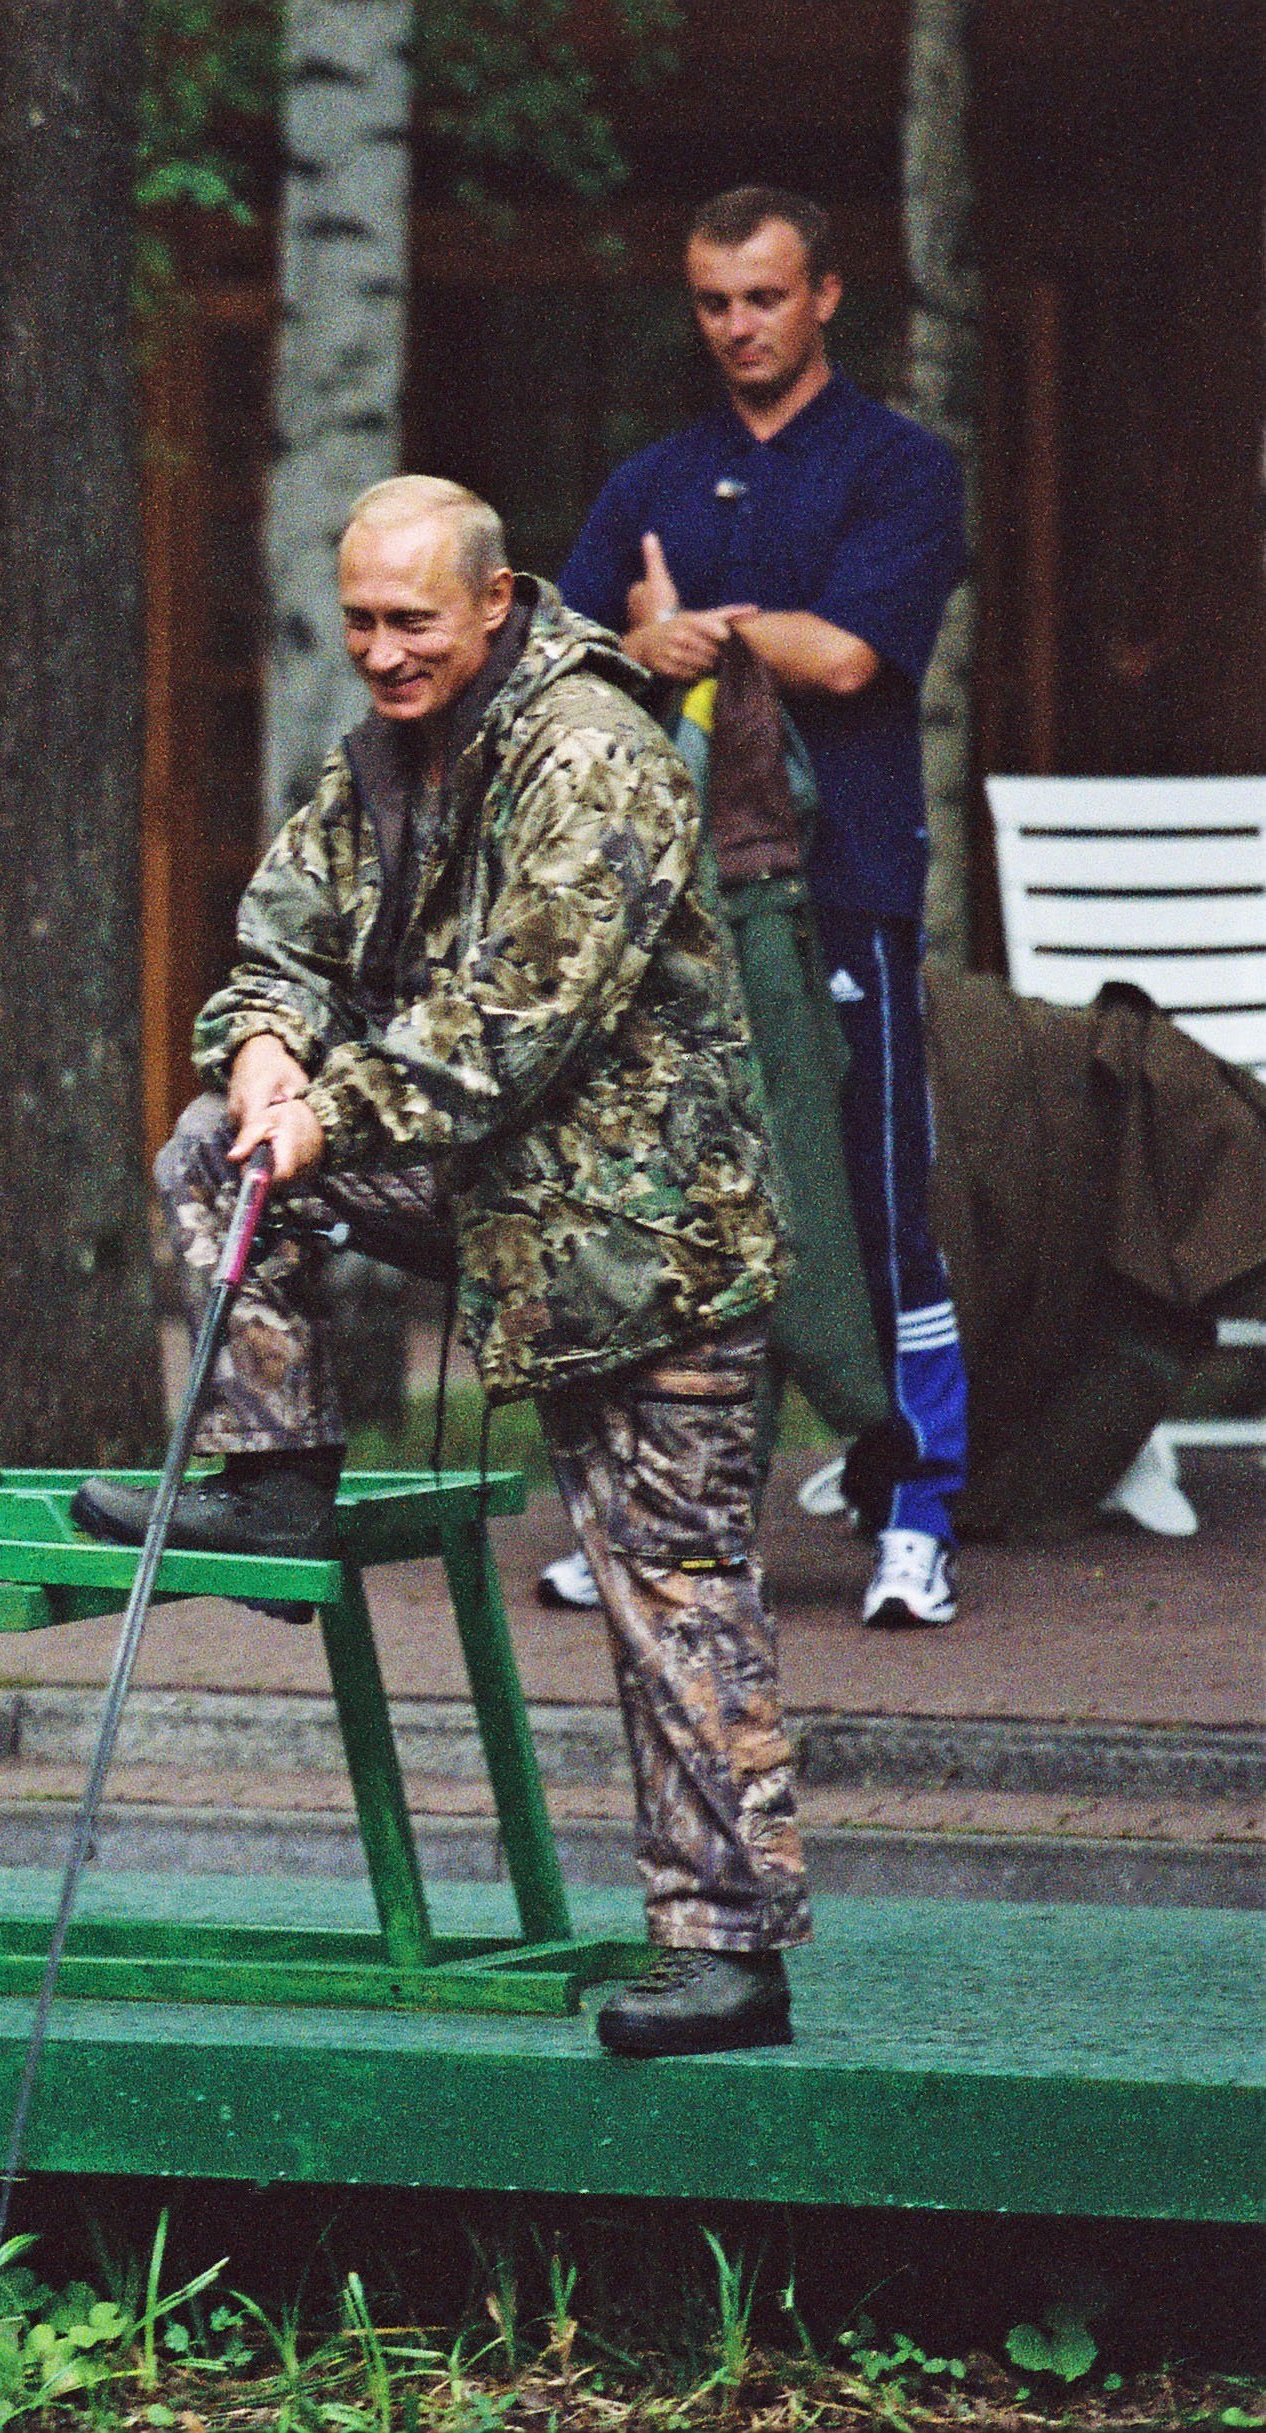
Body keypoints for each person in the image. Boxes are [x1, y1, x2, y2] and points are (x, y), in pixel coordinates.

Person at [77, 477, 809, 2058]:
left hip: (642, 1234)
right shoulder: (395, 753)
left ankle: (726, 1950)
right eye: (356, 619)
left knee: (668, 1585)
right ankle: (265, 1465)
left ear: (493, 603)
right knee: (212, 1141)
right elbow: (280, 927)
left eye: (410, 619)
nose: (380, 651)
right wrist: (269, 1055)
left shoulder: (592, 753)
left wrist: (325, 1116)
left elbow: (507, 1030)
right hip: (486, 1186)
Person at [558, 186, 971, 1633]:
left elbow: (853, 658)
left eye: (764, 296)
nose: (737, 326)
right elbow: (560, 652)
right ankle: (681, 1517)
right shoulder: (652, 475)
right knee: (675, 1209)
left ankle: (914, 1509)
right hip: (666, 908)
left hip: (841, 882)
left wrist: (699, 630)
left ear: (825, 297)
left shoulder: (897, 467)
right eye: (714, 301)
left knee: (871, 1206)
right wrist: (628, 639)